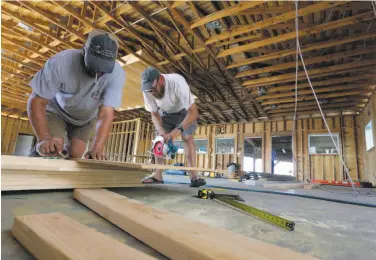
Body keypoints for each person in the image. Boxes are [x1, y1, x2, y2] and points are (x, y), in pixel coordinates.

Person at [27, 29, 125, 160]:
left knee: (76, 154)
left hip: (85, 118)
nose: (97, 71)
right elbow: (37, 101)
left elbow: (106, 113)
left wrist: (97, 149)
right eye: (94, 65)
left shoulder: (117, 74)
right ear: (84, 50)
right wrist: (44, 138)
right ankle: (38, 151)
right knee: (54, 148)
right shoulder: (60, 63)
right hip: (58, 110)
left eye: (103, 68)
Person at [140, 67, 206, 187]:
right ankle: (158, 175)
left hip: (184, 113)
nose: (152, 93)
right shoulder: (148, 90)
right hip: (164, 113)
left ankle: (194, 176)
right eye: (149, 90)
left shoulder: (177, 82)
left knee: (187, 138)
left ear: (160, 79)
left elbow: (193, 112)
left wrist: (176, 132)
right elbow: (154, 114)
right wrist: (162, 134)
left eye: (154, 89)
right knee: (159, 141)